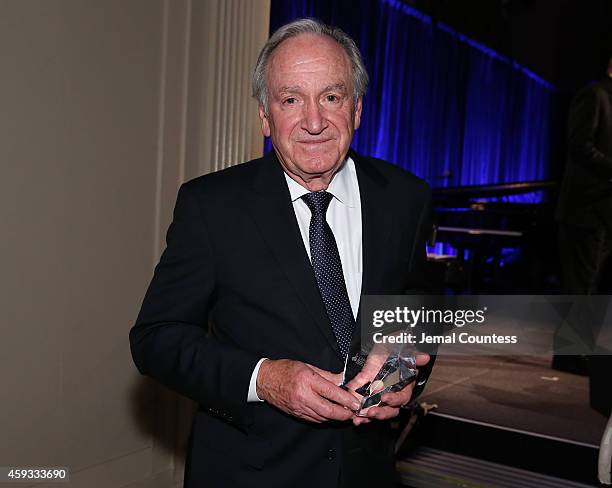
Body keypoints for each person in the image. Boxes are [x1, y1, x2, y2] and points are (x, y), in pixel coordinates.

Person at [130, 19, 433, 488]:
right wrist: (263, 378)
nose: (314, 122)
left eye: (331, 97)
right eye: (291, 99)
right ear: (266, 117)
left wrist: (402, 365)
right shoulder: (211, 206)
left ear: (356, 109)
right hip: (250, 473)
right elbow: (156, 338)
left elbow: (415, 305)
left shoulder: (405, 198)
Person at [555, 56, 612, 416]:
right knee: (582, 284)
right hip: (583, 211)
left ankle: (575, 354)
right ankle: (570, 356)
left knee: (594, 285)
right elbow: (579, 146)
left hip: (604, 213)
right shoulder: (594, 96)